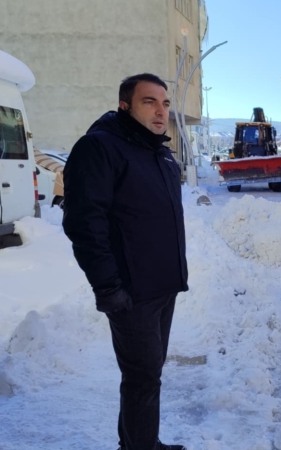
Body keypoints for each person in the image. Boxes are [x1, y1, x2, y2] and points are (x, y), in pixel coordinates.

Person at [62, 73, 189, 450]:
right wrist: (108, 287)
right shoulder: (100, 148)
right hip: (131, 293)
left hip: (163, 287)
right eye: (149, 101)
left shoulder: (159, 153)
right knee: (142, 378)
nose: (161, 111)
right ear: (125, 105)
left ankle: (141, 443)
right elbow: (85, 224)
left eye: (165, 103)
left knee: (147, 377)